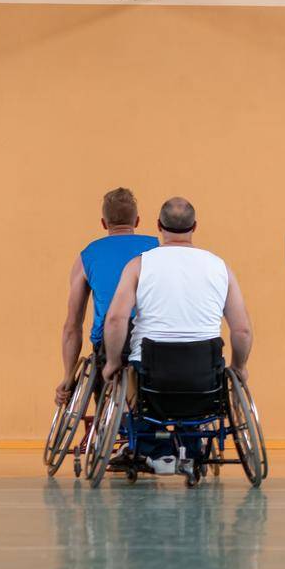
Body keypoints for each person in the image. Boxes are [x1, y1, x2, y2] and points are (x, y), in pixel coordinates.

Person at [101, 197, 253, 475]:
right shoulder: (220, 267)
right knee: (200, 398)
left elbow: (115, 319)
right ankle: (192, 451)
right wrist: (240, 366)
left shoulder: (139, 265)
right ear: (195, 226)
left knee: (131, 386)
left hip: (151, 375)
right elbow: (241, 329)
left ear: (158, 226)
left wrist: (112, 362)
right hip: (203, 378)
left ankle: (154, 450)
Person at [56, 187, 158, 407]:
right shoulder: (157, 248)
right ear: (137, 221)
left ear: (104, 223)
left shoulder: (88, 255)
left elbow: (72, 326)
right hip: (156, 344)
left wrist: (68, 376)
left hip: (112, 346)